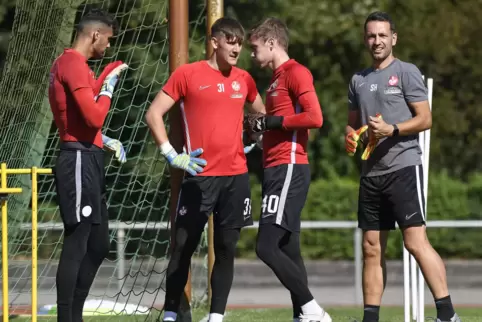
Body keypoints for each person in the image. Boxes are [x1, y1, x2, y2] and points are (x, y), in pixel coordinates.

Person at [145, 17, 265, 322]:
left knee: (226, 248)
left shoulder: (244, 79)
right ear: (214, 42)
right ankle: (171, 313)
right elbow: (154, 114)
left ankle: (216, 317)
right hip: (199, 176)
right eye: (231, 40)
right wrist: (171, 154)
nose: (237, 47)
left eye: (240, 42)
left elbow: (260, 113)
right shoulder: (187, 74)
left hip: (235, 178)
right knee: (183, 246)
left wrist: (254, 136)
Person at [345, 11, 460, 322]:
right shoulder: (358, 80)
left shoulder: (407, 72)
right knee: (371, 247)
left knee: (414, 241)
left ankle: (447, 314)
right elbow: (351, 125)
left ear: (393, 38)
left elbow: (426, 119)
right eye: (372, 35)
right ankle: (370, 318)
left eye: (383, 35)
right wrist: (350, 137)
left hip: (404, 168)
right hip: (371, 174)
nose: (377, 41)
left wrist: (392, 129)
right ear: (365, 39)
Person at [245, 17, 331, 322]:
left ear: (271, 43)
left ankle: (313, 310)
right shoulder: (274, 80)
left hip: (289, 167)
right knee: (289, 248)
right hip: (275, 168)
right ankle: (302, 315)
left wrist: (272, 122)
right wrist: (258, 132)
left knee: (266, 248)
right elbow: (276, 123)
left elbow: (315, 118)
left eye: (255, 48)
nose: (252, 55)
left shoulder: (296, 73)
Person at [48, 9, 128, 322]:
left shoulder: (76, 66)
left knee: (99, 244)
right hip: (77, 158)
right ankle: (66, 317)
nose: (108, 45)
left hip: (89, 155)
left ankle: (75, 315)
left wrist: (103, 139)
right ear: (95, 34)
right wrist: (108, 89)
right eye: (108, 39)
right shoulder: (72, 63)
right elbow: (94, 116)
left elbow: (84, 117)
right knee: (79, 238)